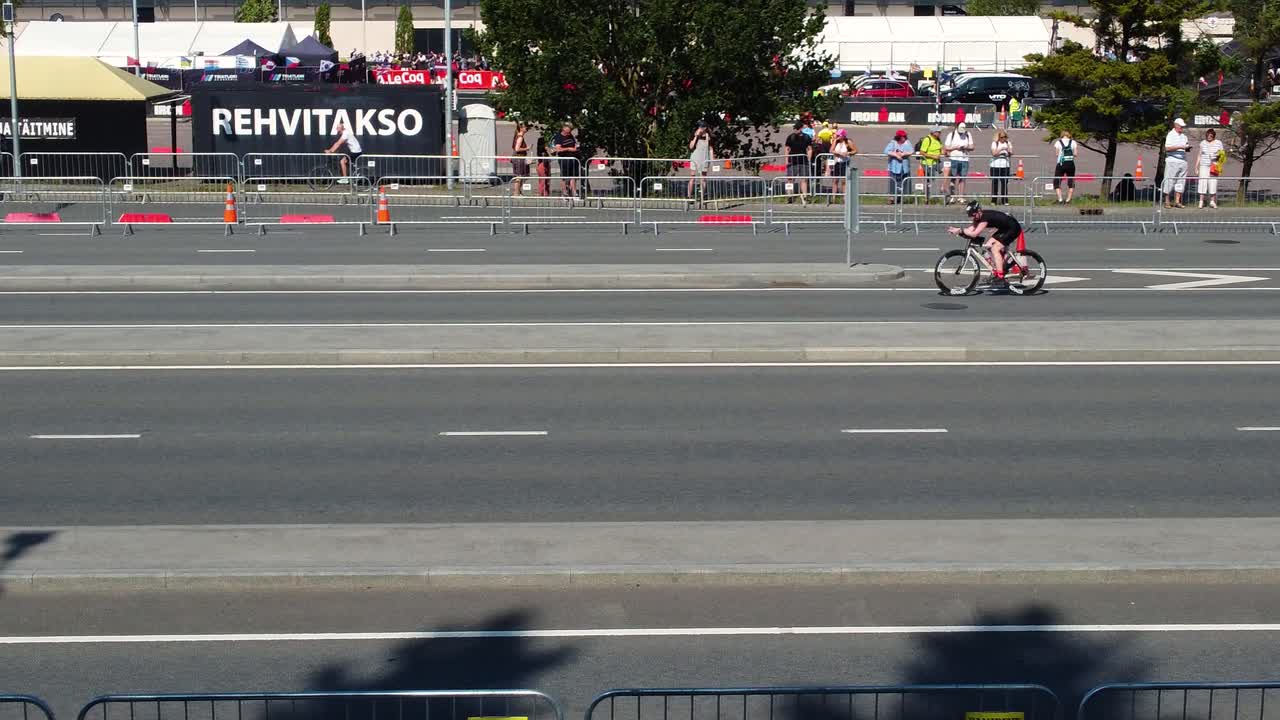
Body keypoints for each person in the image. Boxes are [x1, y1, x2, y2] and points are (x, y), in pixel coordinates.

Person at [948, 200, 1024, 282]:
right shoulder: (977, 217)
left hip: (1013, 228)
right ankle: (1003, 265)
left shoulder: (984, 218)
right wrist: (958, 230)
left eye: (973, 215)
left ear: (979, 211)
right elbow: (971, 230)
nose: (972, 217)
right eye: (970, 216)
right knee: (988, 245)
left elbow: (974, 234)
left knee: (995, 248)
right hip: (1005, 228)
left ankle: (1000, 275)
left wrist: (960, 231)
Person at [944, 121, 975, 204]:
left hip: (964, 159)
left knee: (962, 178)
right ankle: (952, 196)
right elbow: (946, 147)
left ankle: (961, 197)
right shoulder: (951, 135)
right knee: (953, 177)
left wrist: (966, 147)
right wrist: (955, 147)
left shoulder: (968, 134)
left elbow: (972, 146)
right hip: (954, 158)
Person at [1163, 117, 1190, 209]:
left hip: (1183, 160)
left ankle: (1177, 201)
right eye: (1180, 126)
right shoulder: (1170, 135)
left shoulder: (1184, 136)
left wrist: (1187, 148)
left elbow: (1185, 147)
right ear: (1176, 125)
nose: (1182, 128)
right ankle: (1167, 201)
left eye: (1183, 126)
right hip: (1172, 160)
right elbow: (1167, 148)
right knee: (1169, 180)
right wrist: (1180, 146)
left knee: (1181, 181)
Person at [784, 120, 813, 204]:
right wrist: (786, 160)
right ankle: (789, 196)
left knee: (804, 179)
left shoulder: (807, 137)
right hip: (792, 161)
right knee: (790, 179)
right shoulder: (790, 137)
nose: (795, 130)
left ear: (801, 129)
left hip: (803, 161)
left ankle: (804, 196)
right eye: (794, 129)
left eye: (796, 129)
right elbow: (787, 149)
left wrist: (809, 159)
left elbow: (809, 149)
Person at [1197, 127, 1225, 209]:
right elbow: (1199, 155)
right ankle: (1201, 201)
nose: (1209, 137)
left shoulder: (1218, 143)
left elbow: (1222, 154)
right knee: (1202, 182)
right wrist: (1196, 166)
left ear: (1214, 136)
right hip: (1204, 165)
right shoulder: (1203, 143)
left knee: (1213, 182)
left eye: (1211, 136)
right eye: (1208, 136)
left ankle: (1212, 201)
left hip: (1214, 165)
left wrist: (1218, 156)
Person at [884, 129, 913, 205]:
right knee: (893, 182)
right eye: (902, 137)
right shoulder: (893, 143)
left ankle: (901, 198)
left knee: (903, 183)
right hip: (894, 167)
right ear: (898, 137)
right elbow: (886, 151)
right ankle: (891, 198)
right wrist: (896, 155)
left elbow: (911, 151)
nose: (904, 138)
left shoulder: (907, 142)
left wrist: (904, 154)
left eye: (905, 136)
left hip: (904, 167)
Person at [551, 123, 579, 197]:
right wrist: (568, 149)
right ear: (564, 128)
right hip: (564, 159)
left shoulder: (570, 136)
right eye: (568, 131)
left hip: (573, 159)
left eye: (570, 131)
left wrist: (576, 147)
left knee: (573, 176)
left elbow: (574, 144)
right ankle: (564, 192)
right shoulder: (558, 137)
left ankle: (574, 192)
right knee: (564, 176)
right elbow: (558, 149)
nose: (569, 133)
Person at [917, 126, 944, 204]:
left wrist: (944, 152)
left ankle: (939, 193)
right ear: (933, 132)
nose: (940, 133)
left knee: (946, 172)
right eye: (938, 132)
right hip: (927, 163)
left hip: (936, 162)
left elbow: (940, 150)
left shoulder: (938, 139)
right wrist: (933, 156)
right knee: (929, 181)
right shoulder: (927, 139)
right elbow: (922, 152)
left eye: (940, 132)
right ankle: (927, 197)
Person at [687, 120, 712, 203]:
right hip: (695, 157)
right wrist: (696, 136)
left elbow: (711, 149)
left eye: (702, 127)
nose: (701, 128)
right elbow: (691, 147)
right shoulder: (694, 135)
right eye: (700, 127)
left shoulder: (708, 136)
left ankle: (702, 197)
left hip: (704, 158)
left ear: (705, 128)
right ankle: (689, 196)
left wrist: (712, 160)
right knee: (692, 177)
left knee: (703, 178)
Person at [1052, 130, 1077, 205]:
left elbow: (1056, 154)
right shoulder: (1073, 142)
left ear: (1062, 135)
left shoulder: (1058, 142)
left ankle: (1060, 199)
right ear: (1069, 135)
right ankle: (1068, 200)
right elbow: (1075, 154)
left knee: (1057, 181)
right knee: (1071, 181)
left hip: (1061, 164)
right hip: (1071, 164)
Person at [990, 130, 1013, 205]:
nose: (1004, 139)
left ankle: (1005, 200)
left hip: (1005, 165)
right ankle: (994, 200)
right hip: (995, 165)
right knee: (995, 182)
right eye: (1002, 137)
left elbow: (1011, 153)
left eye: (1005, 137)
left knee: (1004, 183)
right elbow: (994, 153)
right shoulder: (995, 143)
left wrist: (1008, 150)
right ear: (999, 137)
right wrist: (1001, 149)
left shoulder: (1008, 143)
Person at [831, 128, 856, 196]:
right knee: (835, 180)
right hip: (836, 163)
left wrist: (848, 153)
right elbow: (831, 150)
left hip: (845, 163)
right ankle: (834, 197)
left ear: (843, 136)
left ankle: (844, 197)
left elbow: (855, 150)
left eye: (839, 135)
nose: (837, 136)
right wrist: (839, 152)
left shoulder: (848, 142)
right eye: (837, 135)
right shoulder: (835, 141)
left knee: (844, 181)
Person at [511, 123, 530, 196]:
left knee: (519, 176)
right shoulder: (520, 137)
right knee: (519, 176)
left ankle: (518, 192)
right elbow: (517, 149)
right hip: (519, 157)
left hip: (518, 157)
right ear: (521, 128)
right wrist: (527, 148)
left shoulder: (518, 136)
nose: (526, 128)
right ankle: (516, 193)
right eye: (525, 127)